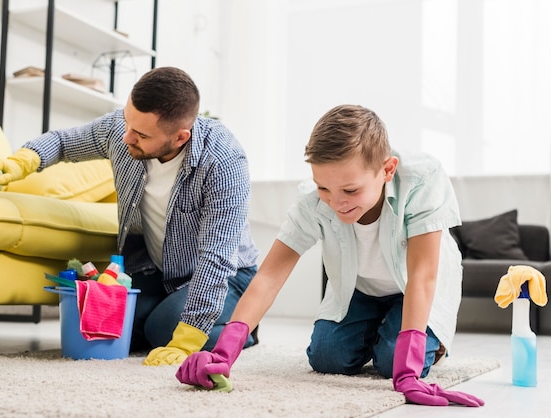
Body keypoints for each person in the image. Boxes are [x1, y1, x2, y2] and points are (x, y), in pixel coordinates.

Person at [176, 104, 485, 407]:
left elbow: (422, 276)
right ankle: (383, 327)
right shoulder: (313, 203)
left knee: (393, 363)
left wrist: (407, 370)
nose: (337, 203)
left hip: (415, 288)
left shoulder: (422, 180)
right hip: (362, 290)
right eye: (323, 187)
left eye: (350, 191)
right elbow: (270, 276)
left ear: (387, 170)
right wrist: (224, 351)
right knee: (327, 358)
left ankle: (432, 342)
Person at [0, 66, 259, 366]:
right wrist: (24, 160)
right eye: (128, 123)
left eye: (140, 134)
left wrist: (188, 337)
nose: (126, 137)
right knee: (105, 323)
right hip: (158, 271)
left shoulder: (224, 161)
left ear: (180, 138)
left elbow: (216, 257)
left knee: (163, 329)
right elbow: (64, 142)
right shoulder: (123, 129)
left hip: (230, 276)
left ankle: (245, 329)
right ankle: (169, 316)